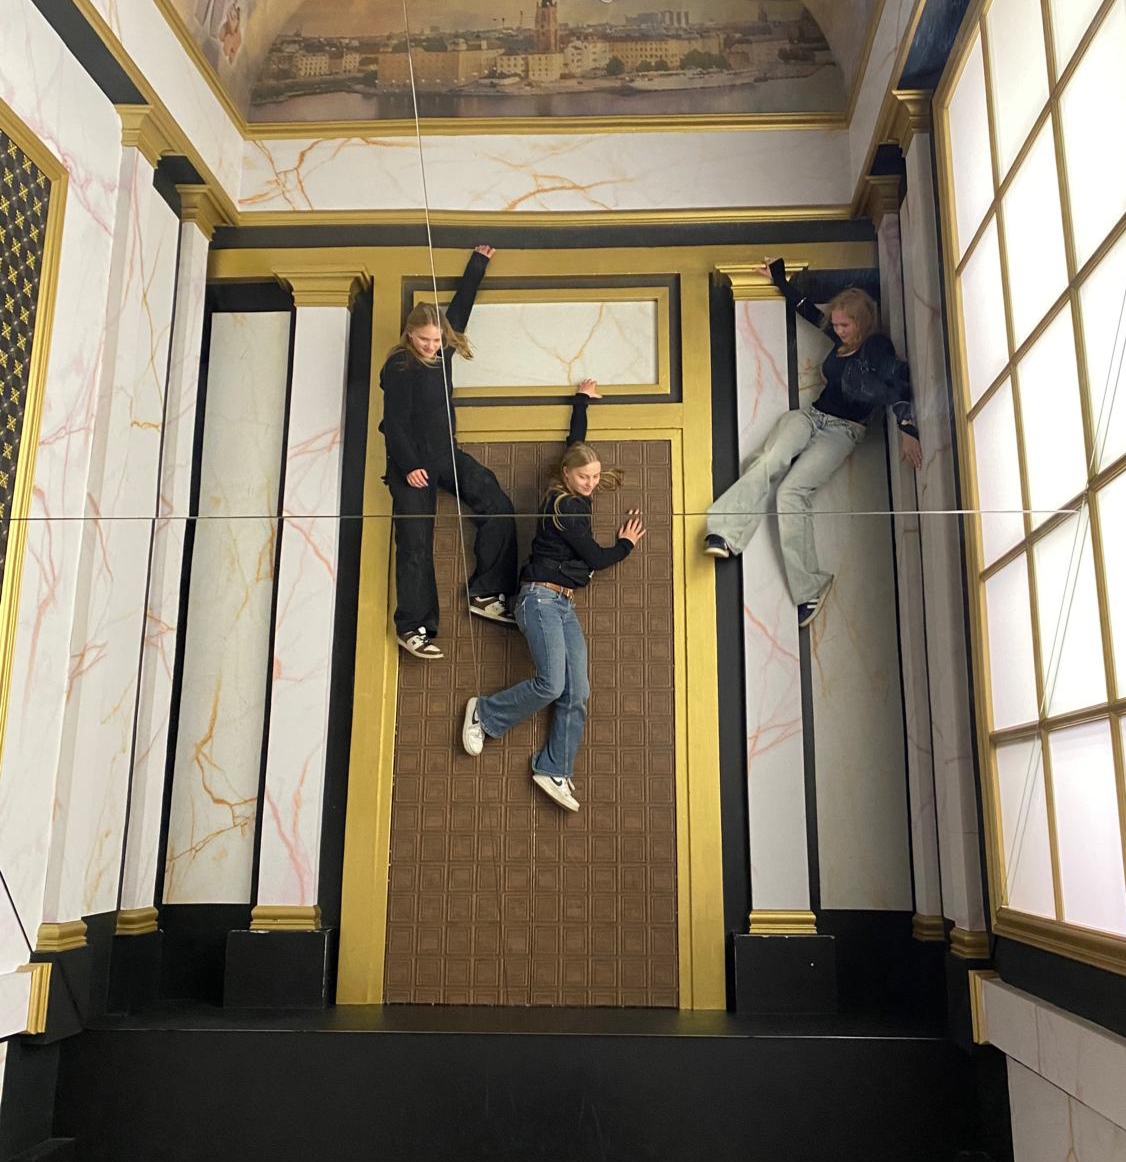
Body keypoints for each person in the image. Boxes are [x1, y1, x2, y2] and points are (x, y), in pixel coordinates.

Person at [704, 257, 921, 628]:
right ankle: (725, 533)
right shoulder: (841, 339)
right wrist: (778, 278)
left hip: (843, 431)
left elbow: (898, 384)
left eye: (844, 324)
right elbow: (807, 310)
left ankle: (810, 588)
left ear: (861, 322)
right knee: (770, 459)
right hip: (811, 416)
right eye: (835, 324)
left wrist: (907, 428)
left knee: (791, 494)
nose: (837, 330)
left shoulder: (875, 346)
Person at [460, 379, 645, 812]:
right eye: (584, 477)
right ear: (566, 474)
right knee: (551, 683)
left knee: (576, 690)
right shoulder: (566, 508)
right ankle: (484, 713)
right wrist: (625, 545)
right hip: (538, 599)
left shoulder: (568, 483)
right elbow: (596, 558)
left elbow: (574, 442)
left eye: (595, 476)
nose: (591, 483)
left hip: (562, 604)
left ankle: (553, 767)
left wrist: (581, 402)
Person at [380, 245, 518, 660]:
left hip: (445, 454)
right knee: (415, 542)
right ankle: (413, 627)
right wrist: (408, 466)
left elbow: (460, 308)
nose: (431, 346)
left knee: (496, 501)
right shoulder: (399, 366)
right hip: (410, 463)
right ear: (410, 335)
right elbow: (394, 423)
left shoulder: (443, 349)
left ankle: (487, 592)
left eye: (437, 339)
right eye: (424, 339)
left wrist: (478, 264)